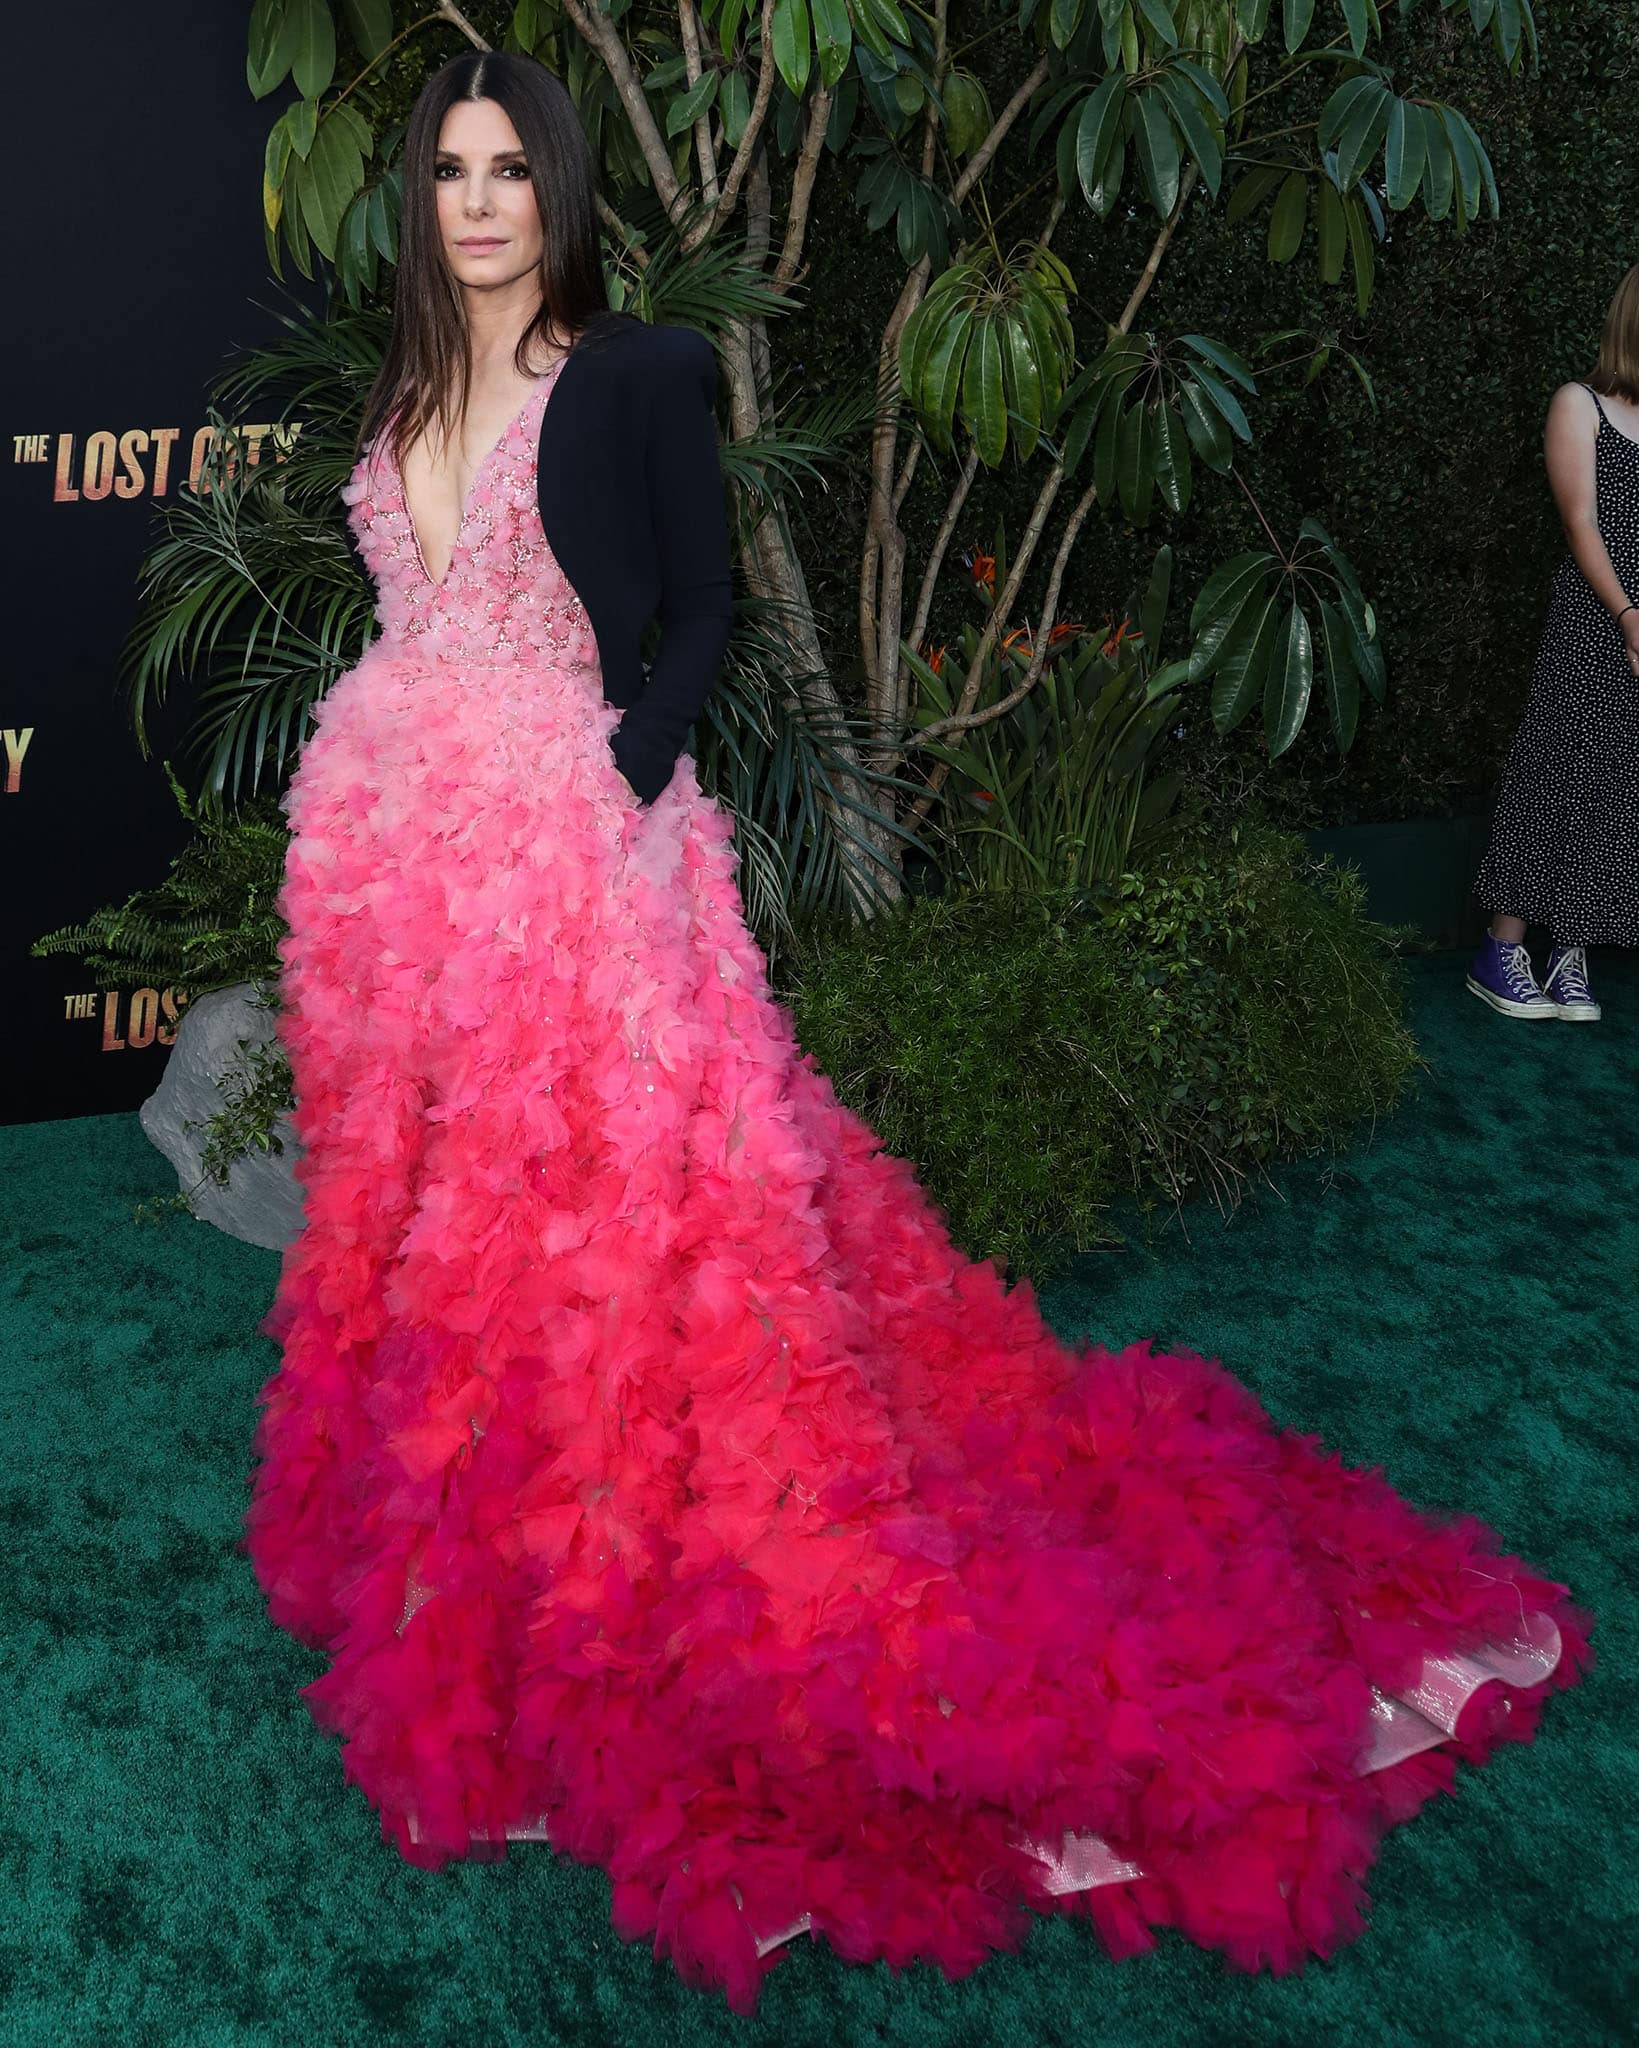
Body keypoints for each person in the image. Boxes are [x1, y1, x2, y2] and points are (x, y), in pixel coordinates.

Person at [247, 48, 1590, 2017]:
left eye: (505, 170)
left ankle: (609, 1567)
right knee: (444, 1227)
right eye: (445, 172)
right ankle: (471, 1542)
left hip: (580, 876)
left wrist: (611, 778)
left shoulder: (621, 376)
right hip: (386, 878)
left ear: (558, 191)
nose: (472, 202)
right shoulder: (397, 388)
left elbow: (698, 610)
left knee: (630, 1244)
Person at [1468, 262, 1639, 1023]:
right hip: (1594, 616)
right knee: (1555, 765)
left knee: (1617, 785)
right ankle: (1500, 950)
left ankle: (1568, 950)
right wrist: (1631, 619)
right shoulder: (1579, 403)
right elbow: (1581, 526)